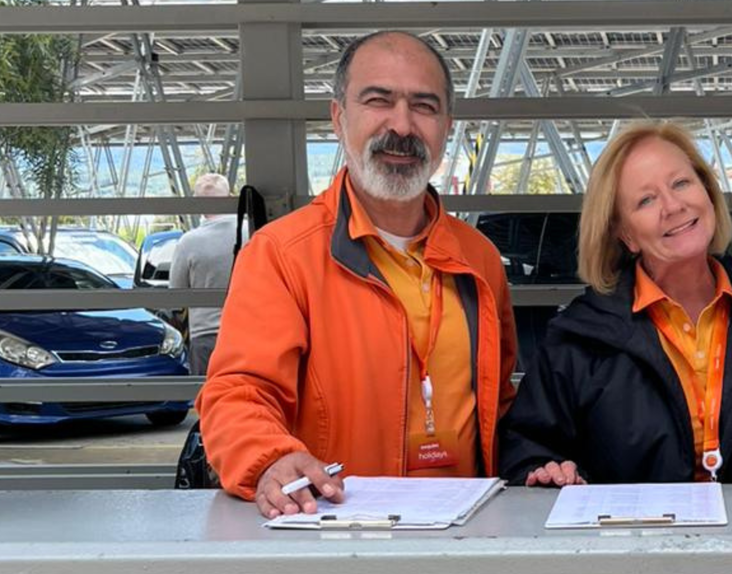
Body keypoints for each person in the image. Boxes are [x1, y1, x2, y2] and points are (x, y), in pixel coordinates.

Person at [197, 30, 517, 517]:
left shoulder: (480, 260)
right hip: (335, 530)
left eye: (424, 106)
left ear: (446, 127)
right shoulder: (282, 255)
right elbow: (238, 393)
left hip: (467, 530)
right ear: (338, 117)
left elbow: (501, 404)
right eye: (378, 100)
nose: (402, 125)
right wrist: (270, 458)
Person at [498, 122, 732, 486]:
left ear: (708, 193)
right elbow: (525, 451)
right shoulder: (578, 343)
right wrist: (547, 471)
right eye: (646, 200)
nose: (673, 206)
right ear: (625, 234)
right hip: (630, 525)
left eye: (681, 183)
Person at [168, 173, 237, 376]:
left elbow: (176, 295)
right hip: (247, 331)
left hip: (205, 336)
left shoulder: (188, 242)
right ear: (229, 197)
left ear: (198, 203)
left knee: (207, 392)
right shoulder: (250, 233)